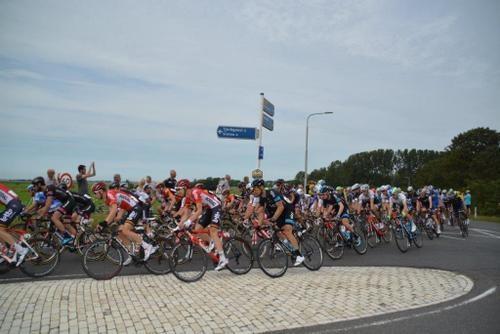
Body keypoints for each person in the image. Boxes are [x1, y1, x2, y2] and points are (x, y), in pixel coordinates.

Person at [176, 179, 229, 271]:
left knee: (213, 231)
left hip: (216, 206)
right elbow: (187, 213)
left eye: (178, 189)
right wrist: (179, 225)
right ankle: (212, 241)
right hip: (209, 209)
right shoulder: (187, 197)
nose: (177, 192)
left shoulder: (195, 192)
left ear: (185, 188)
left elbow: (199, 210)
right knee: (197, 230)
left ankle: (223, 259)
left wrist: (188, 222)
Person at [0, 183, 28, 265]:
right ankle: (6, 250)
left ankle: (21, 250)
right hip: (15, 204)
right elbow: (14, 195)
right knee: (2, 229)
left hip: (14, 206)